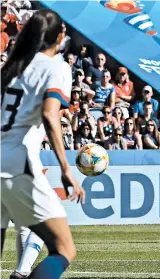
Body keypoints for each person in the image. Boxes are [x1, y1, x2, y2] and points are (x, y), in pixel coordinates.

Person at [1, 10, 85, 279]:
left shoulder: (13, 65)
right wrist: (66, 168)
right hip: (16, 162)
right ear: (59, 37)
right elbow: (51, 114)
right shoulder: (57, 66)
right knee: (64, 249)